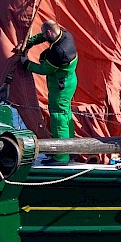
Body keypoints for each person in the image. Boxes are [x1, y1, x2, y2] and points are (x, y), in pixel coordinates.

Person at [20, 20, 78, 164]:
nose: (44, 38)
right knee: (66, 115)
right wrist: (31, 42)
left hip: (61, 87)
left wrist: (26, 63)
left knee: (58, 118)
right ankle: (72, 149)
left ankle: (61, 156)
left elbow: (44, 69)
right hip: (69, 81)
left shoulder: (59, 51)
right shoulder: (64, 33)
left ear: (50, 32)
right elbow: (44, 35)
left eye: (45, 35)